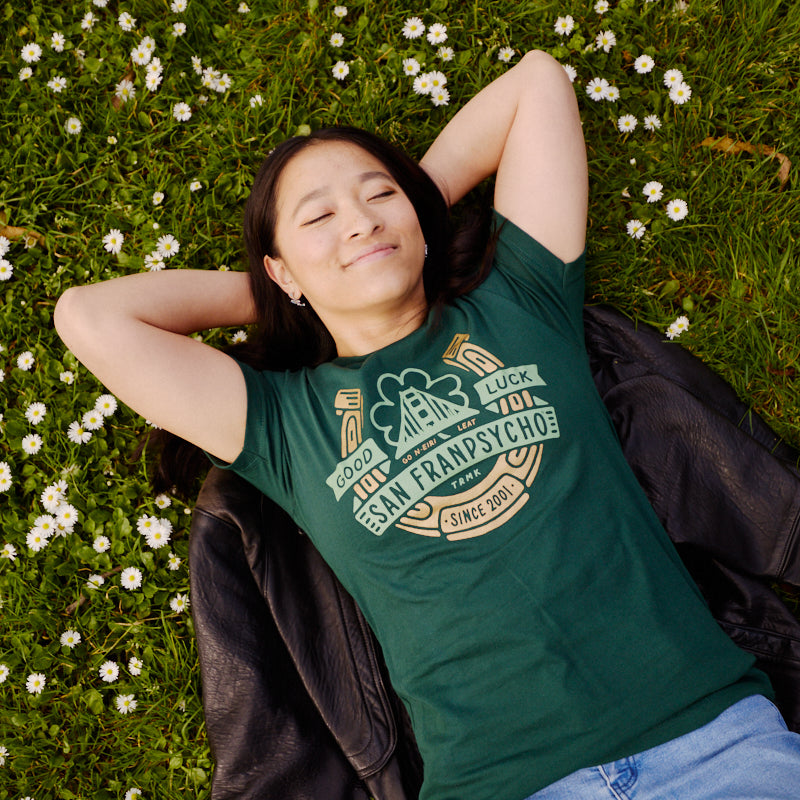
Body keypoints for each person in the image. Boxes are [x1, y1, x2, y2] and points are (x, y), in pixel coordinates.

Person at [54, 50, 800, 800]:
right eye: (320, 216)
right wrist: (287, 287)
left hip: (717, 744)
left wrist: (400, 216)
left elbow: (537, 81)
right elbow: (89, 315)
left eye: (380, 193)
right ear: (279, 268)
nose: (360, 219)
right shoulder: (282, 425)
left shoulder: (523, 303)